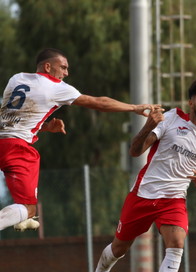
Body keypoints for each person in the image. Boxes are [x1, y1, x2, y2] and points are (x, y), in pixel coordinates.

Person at [84, 78, 196, 272]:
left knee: (176, 244)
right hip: (143, 194)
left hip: (173, 200)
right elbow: (135, 151)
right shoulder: (171, 118)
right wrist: (148, 126)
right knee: (118, 248)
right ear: (190, 101)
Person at [0, 47, 159, 233]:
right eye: (63, 67)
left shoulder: (17, 78)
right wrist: (133, 108)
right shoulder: (56, 88)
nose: (66, 73)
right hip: (17, 149)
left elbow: (14, 118)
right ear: (48, 66)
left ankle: (21, 217)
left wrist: (45, 127)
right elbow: (99, 103)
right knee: (29, 209)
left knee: (24, 210)